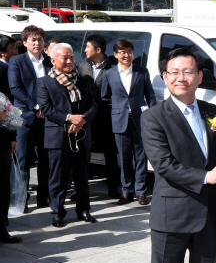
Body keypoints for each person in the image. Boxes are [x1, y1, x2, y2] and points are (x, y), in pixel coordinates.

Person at [141, 48, 216, 263]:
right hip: (172, 216)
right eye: (175, 72)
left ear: (199, 76)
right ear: (165, 77)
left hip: (211, 214)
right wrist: (207, 177)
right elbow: (163, 164)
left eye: (188, 72)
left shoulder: (214, 112)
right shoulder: (153, 117)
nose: (181, 78)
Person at [36, 43, 98, 227]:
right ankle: (57, 212)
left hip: (81, 133)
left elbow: (94, 105)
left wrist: (82, 120)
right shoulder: (45, 82)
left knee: (82, 175)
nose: (70, 61)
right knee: (58, 176)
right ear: (53, 60)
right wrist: (69, 118)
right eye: (65, 57)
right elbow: (46, 109)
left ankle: (84, 210)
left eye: (71, 57)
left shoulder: (84, 80)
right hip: (58, 136)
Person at [102, 40, 157, 205]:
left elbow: (151, 96)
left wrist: (151, 116)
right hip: (120, 121)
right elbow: (105, 97)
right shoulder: (109, 74)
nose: (127, 55)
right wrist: (119, 107)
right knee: (125, 158)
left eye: (130, 52)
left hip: (140, 120)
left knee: (141, 157)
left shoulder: (142, 71)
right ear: (116, 55)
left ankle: (141, 192)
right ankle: (127, 191)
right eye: (123, 52)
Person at [8, 25, 52, 209]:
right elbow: (15, 88)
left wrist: (47, 108)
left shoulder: (50, 61)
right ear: (24, 42)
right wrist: (35, 105)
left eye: (40, 39)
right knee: (23, 160)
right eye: (33, 39)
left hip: (48, 117)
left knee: (46, 158)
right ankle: (21, 199)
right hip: (25, 117)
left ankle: (44, 197)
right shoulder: (17, 61)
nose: (37, 42)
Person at [78, 34, 121, 199]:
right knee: (84, 154)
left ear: (98, 49)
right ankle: (82, 190)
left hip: (105, 117)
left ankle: (112, 188)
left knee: (110, 154)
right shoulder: (82, 67)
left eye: (87, 47)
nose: (85, 50)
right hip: (87, 116)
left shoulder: (113, 68)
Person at [0, 34, 21, 243]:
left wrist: (12, 134)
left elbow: (8, 105)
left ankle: (1, 227)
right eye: (12, 47)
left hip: (2, 135)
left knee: (3, 184)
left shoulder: (4, 70)